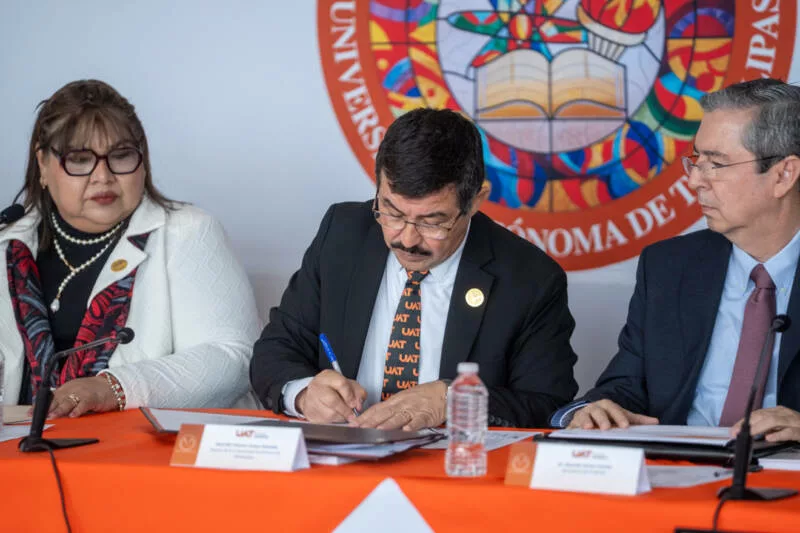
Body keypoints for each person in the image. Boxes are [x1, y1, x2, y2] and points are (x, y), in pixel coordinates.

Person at [250, 108, 578, 430]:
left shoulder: (529, 279)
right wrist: (304, 393)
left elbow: (547, 403)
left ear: (476, 201)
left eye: (431, 222)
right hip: (342, 452)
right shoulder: (342, 234)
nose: (406, 239)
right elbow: (276, 349)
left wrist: (455, 400)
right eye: (392, 213)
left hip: (452, 460)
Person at [551, 78, 800, 443]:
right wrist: (592, 411)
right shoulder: (669, 266)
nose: (695, 180)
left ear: (783, 174)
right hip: (679, 466)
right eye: (697, 161)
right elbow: (625, 388)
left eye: (716, 164)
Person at [0, 79, 260, 417]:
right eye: (80, 160)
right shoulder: (9, 244)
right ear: (43, 165)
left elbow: (232, 358)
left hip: (143, 444)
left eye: (121, 156)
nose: (103, 176)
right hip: (21, 443)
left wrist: (114, 387)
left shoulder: (188, 231)